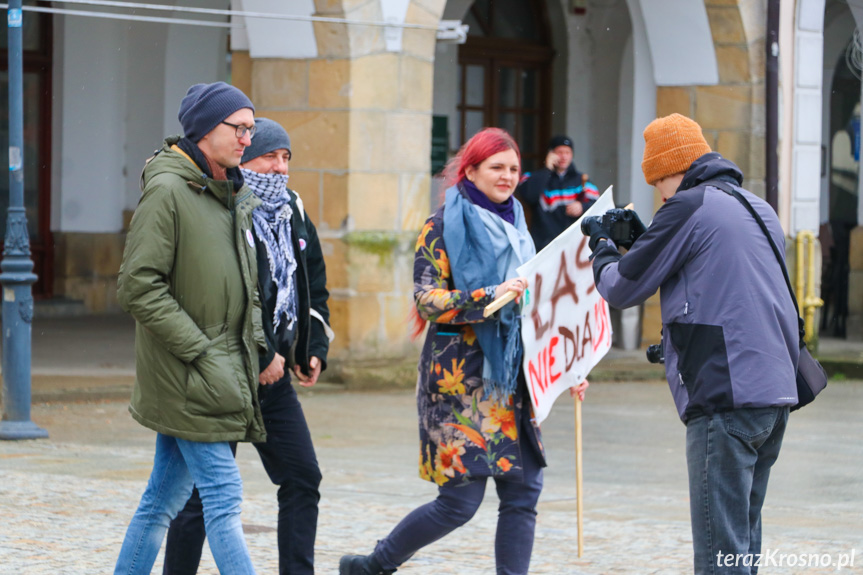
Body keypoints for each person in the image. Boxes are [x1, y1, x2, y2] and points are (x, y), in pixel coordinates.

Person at [339, 127, 588, 575]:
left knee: (523, 493)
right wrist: (487, 295)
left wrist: (567, 365)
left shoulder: (519, 225)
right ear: (470, 170)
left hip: (510, 377)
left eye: (513, 168)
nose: (508, 176)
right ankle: (374, 565)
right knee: (459, 503)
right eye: (497, 167)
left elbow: (537, 308)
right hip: (459, 381)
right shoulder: (440, 226)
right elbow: (426, 300)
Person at [583, 113, 798, 575]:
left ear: (666, 171)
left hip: (726, 395)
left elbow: (621, 288)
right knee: (742, 544)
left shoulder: (687, 206)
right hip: (775, 392)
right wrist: (649, 242)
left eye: (657, 183)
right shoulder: (754, 205)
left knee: (719, 557)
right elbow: (713, 273)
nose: (658, 195)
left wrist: (601, 247)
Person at [162, 118, 332, 575]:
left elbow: (311, 280)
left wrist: (310, 346)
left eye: (286, 158)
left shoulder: (292, 209)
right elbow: (222, 296)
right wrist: (260, 355)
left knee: (302, 477)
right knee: (202, 496)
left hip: (274, 381)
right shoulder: (225, 207)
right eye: (269, 157)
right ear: (245, 157)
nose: (279, 168)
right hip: (223, 376)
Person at [114, 82, 265, 575]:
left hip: (214, 370)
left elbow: (245, 284)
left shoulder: (226, 192)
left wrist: (254, 345)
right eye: (238, 128)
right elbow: (139, 286)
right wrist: (200, 352)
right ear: (204, 130)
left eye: (251, 128)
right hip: (191, 374)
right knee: (224, 498)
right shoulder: (169, 190)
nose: (248, 138)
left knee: (162, 499)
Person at [517, 134, 600, 251]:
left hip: (574, 247)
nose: (564, 156)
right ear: (550, 154)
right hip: (545, 247)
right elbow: (529, 195)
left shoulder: (581, 180)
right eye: (559, 152)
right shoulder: (535, 178)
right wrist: (547, 169)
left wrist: (583, 207)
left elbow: (599, 206)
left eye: (567, 152)